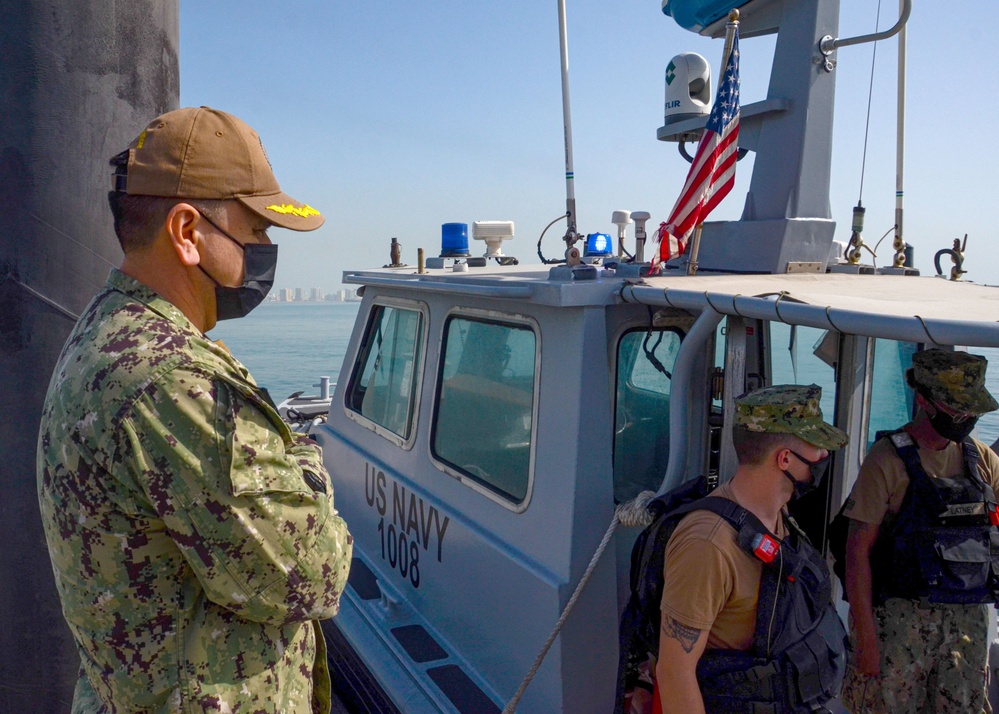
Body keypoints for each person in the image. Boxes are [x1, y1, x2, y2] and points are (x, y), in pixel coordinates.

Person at [36, 106, 353, 714]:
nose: (264, 250)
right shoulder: (174, 380)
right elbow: (313, 571)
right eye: (256, 230)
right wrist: (305, 460)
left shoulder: (108, 328)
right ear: (186, 231)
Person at [656, 384, 849, 714]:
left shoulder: (776, 513)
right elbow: (674, 673)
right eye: (816, 447)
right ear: (784, 458)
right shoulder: (708, 545)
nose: (822, 457)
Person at [841, 349, 999, 714]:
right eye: (956, 410)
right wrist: (865, 638)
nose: (965, 419)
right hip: (899, 626)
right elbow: (857, 553)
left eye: (972, 411)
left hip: (966, 626)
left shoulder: (981, 459)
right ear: (923, 400)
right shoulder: (886, 460)